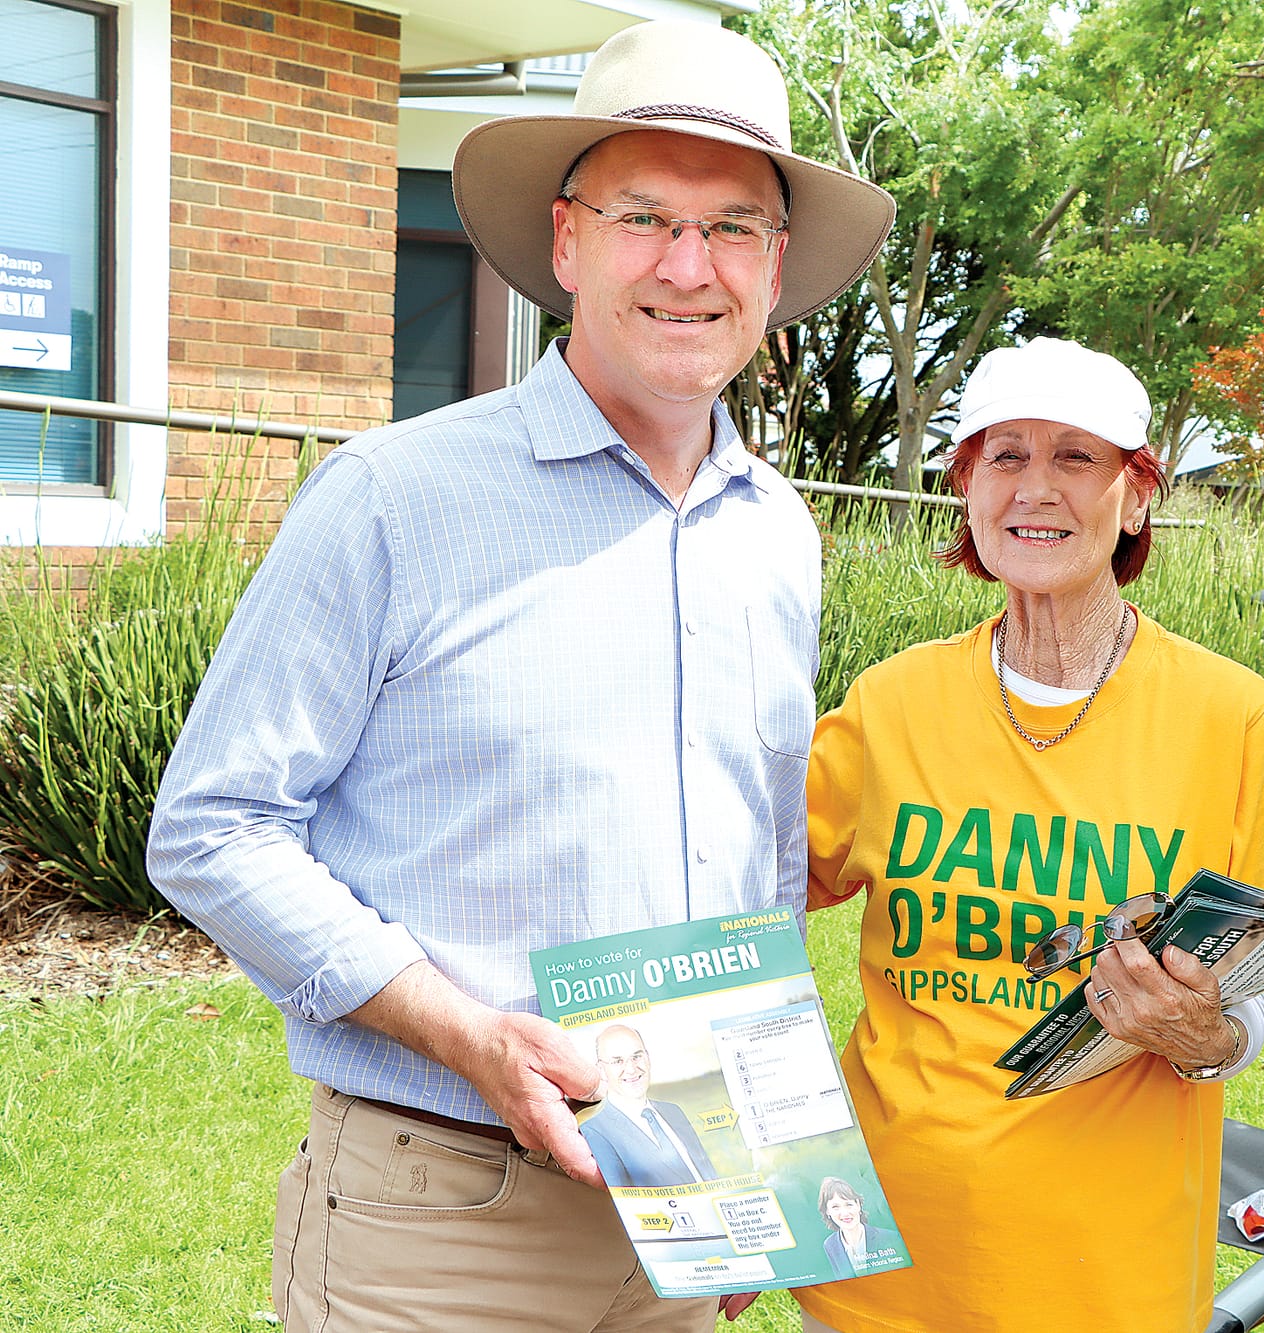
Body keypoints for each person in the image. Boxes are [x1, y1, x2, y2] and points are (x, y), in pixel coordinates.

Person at [144, 18, 893, 1333]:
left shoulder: (779, 531)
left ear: (774, 271)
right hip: (442, 1216)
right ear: (565, 241)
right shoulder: (393, 500)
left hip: (691, 1194)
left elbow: (757, 860)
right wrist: (464, 1031)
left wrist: (753, 1155)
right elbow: (211, 828)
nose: (686, 265)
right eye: (644, 216)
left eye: (731, 229)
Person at [795, 337, 1264, 1333]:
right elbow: (745, 902)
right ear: (966, 490)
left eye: (1076, 457)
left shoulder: (1227, 715)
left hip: (1106, 1280)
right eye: (1004, 455)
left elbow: (1247, 989)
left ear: (1134, 495)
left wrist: (1201, 1037)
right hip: (884, 1268)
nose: (1036, 487)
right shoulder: (889, 702)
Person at [581, 1025, 718, 1189]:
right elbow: (622, 1202)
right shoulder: (594, 1130)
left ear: (648, 1058)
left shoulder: (673, 1111)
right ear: (602, 1070)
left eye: (637, 1056)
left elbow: (707, 1171)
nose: (631, 1069)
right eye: (618, 1061)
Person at [815, 1179, 900, 1280]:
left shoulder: (891, 1237)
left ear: (858, 1205)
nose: (845, 1213)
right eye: (835, 1207)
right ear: (827, 1212)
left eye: (848, 1204)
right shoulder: (830, 1244)